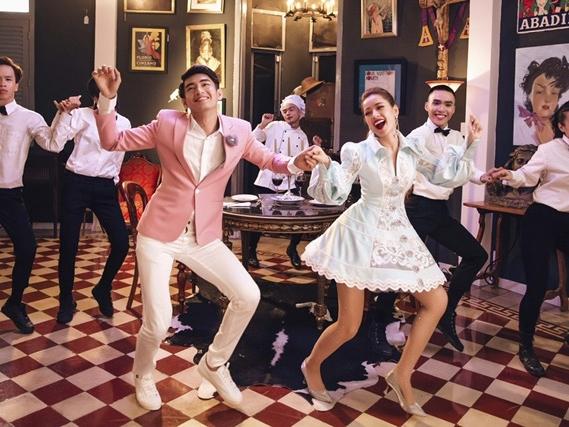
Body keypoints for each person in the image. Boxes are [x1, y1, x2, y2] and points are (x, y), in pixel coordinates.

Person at [91, 64, 317, 411]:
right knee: (158, 320)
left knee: (247, 295)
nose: (199, 91)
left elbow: (268, 159)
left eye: (206, 84)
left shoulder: (239, 130)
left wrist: (295, 162)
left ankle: (214, 363)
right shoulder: (167, 123)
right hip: (159, 234)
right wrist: (107, 100)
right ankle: (143, 374)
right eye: (191, 88)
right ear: (184, 100)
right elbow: (113, 141)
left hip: (204, 236)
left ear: (219, 92)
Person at [300, 87, 481, 415]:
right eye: (368, 112)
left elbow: (445, 176)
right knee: (349, 325)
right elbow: (336, 193)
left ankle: (401, 374)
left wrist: (470, 144)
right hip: (359, 235)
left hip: (398, 233)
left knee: (437, 301)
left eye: (379, 107)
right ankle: (311, 366)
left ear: (395, 110)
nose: (374, 115)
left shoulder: (413, 149)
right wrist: (325, 164)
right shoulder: (358, 151)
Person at [405, 85, 491, 352]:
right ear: (427, 106)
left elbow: (466, 167)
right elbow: (441, 172)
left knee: (476, 255)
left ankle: (446, 311)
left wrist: (484, 176)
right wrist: (470, 144)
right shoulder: (416, 137)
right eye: (437, 103)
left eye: (448, 104)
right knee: (402, 268)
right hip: (417, 208)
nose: (442, 109)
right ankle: (379, 324)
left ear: (454, 109)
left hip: (439, 210)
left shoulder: (457, 137)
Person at [491, 101, 569, 377]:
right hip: (543, 218)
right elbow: (526, 175)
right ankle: (526, 346)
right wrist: (508, 175)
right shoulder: (549, 151)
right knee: (537, 285)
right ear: (562, 126)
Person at [0, 56, 76, 334]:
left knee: (27, 248)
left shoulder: (29, 118)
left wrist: (63, 114)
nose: (2, 84)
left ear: (16, 85)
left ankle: (14, 303)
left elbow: (54, 144)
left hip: (9, 195)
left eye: (7, 79)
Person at [52, 78, 131, 324]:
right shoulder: (81, 115)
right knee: (69, 245)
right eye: (101, 95)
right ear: (95, 97)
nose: (107, 98)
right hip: (76, 183)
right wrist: (65, 113)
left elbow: (118, 157)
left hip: (105, 187)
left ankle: (103, 288)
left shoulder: (124, 123)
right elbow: (57, 143)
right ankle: (66, 300)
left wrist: (113, 180)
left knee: (121, 243)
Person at [249, 95, 321, 269]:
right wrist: (262, 125)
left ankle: (292, 248)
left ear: (300, 112)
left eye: (291, 110)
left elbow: (304, 161)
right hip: (268, 179)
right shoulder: (274, 126)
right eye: (284, 110)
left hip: (290, 182)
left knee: (299, 219)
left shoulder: (303, 136)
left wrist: (316, 148)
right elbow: (252, 140)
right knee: (258, 220)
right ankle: (251, 251)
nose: (287, 113)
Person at [514, 56, 569, 145]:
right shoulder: (519, 129)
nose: (547, 99)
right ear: (529, 95)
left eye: (554, 93)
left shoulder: (563, 127)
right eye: (539, 92)